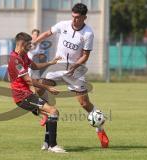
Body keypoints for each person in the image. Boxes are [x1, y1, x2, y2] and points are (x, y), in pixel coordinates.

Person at [32, 3, 109, 148]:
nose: (74, 20)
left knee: (84, 104)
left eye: (78, 18)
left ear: (84, 17)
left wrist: (76, 65)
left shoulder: (88, 33)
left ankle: (100, 128)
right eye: (73, 17)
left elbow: (85, 56)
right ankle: (45, 112)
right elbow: (48, 33)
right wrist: (35, 42)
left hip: (76, 71)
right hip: (57, 67)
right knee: (40, 86)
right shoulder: (63, 25)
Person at [8, 32, 66, 153]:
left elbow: (34, 66)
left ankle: (46, 143)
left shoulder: (23, 56)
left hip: (27, 94)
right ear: (22, 44)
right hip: (22, 97)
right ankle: (53, 145)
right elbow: (28, 80)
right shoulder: (15, 60)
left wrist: (50, 62)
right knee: (53, 111)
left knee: (50, 114)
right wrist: (48, 88)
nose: (30, 47)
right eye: (29, 45)